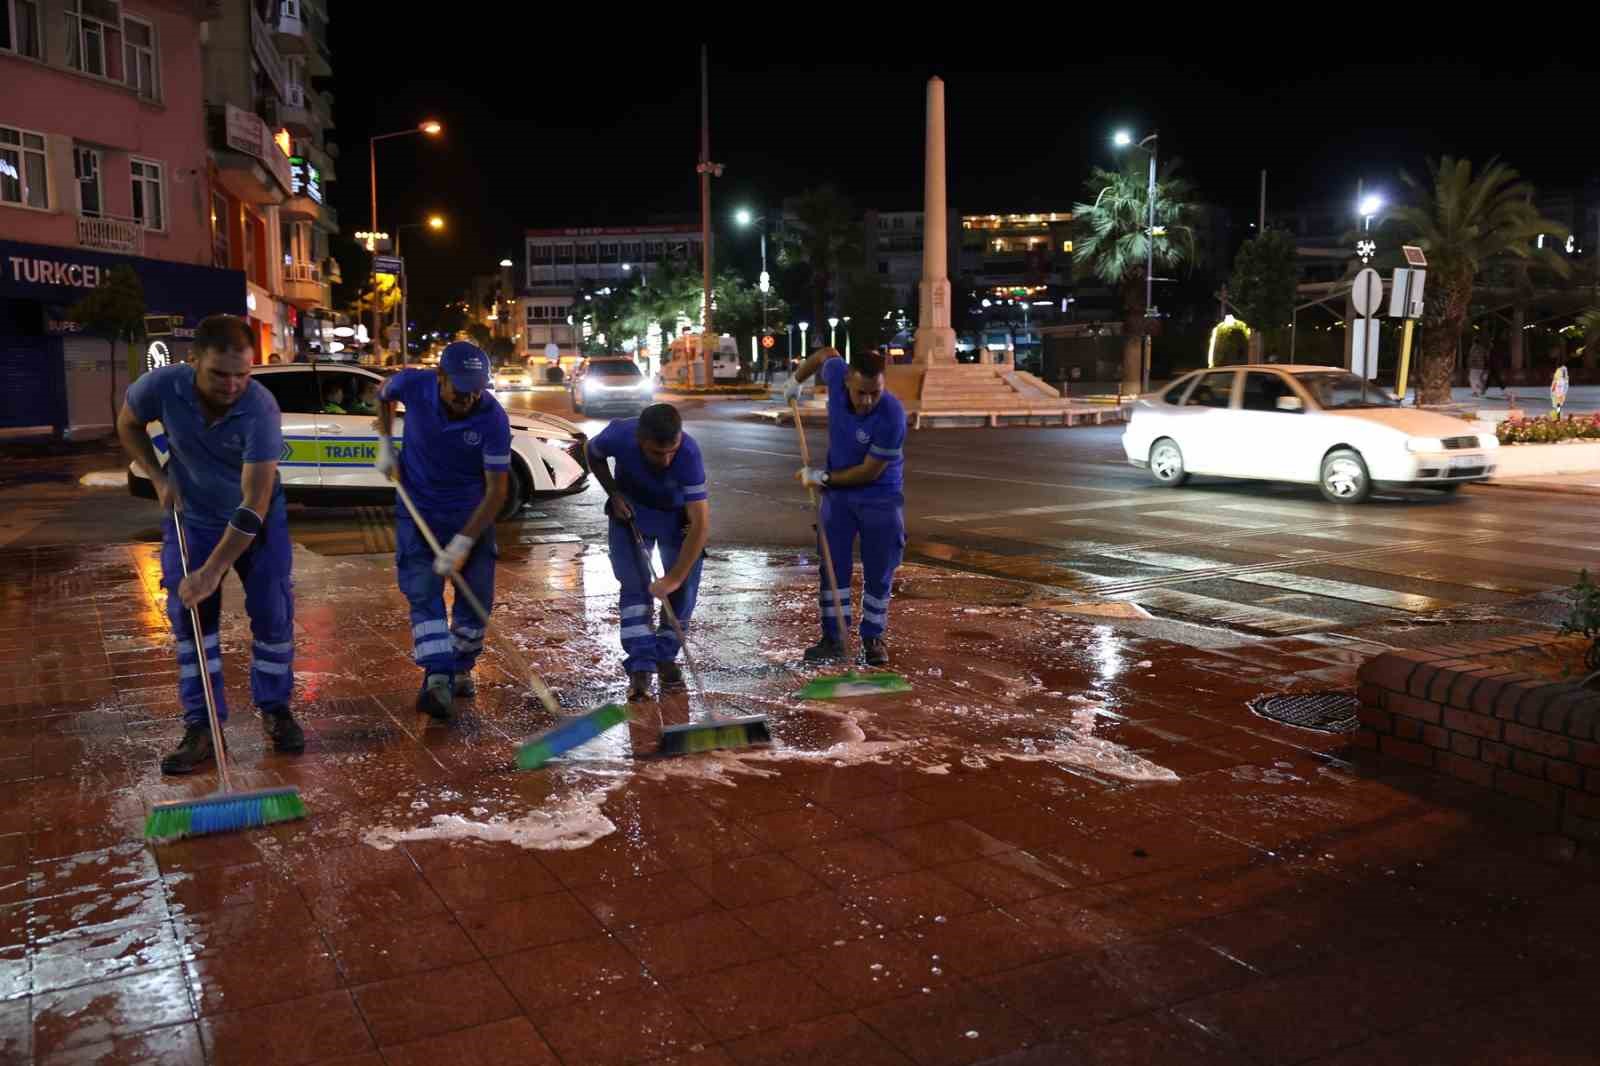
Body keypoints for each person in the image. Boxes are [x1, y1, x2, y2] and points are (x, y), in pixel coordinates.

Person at [116, 314, 304, 774]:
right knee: (192, 621)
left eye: (243, 374)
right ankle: (202, 726)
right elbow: (128, 424)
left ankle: (276, 709)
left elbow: (253, 504)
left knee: (273, 612)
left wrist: (213, 570)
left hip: (255, 522)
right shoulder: (159, 387)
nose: (233, 385)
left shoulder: (260, 408)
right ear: (193, 359)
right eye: (220, 374)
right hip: (193, 518)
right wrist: (158, 477)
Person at [375, 342, 511, 718]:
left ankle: (462, 666)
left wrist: (465, 541)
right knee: (423, 591)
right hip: (417, 509)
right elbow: (381, 394)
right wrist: (385, 442)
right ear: (440, 378)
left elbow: (498, 490)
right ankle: (437, 678)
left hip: (471, 514)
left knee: (477, 597)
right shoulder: (414, 385)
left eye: (476, 390)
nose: (468, 398)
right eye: (460, 389)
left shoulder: (493, 419)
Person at [784, 346, 906, 667]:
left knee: (880, 567)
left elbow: (869, 471)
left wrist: (823, 477)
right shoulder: (838, 376)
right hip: (838, 498)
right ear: (846, 383)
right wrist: (795, 380)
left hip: (879, 496)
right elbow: (826, 354)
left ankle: (873, 637)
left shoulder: (892, 415)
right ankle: (834, 639)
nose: (867, 401)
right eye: (860, 393)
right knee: (832, 564)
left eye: (874, 393)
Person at [586, 403, 710, 702]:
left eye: (672, 451)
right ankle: (640, 666)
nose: (666, 460)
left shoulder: (689, 454)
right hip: (631, 511)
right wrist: (613, 492)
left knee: (683, 591)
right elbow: (592, 452)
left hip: (676, 518)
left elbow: (700, 523)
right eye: (657, 453)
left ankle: (665, 655)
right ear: (640, 440)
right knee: (635, 586)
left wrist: (676, 578)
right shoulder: (619, 435)